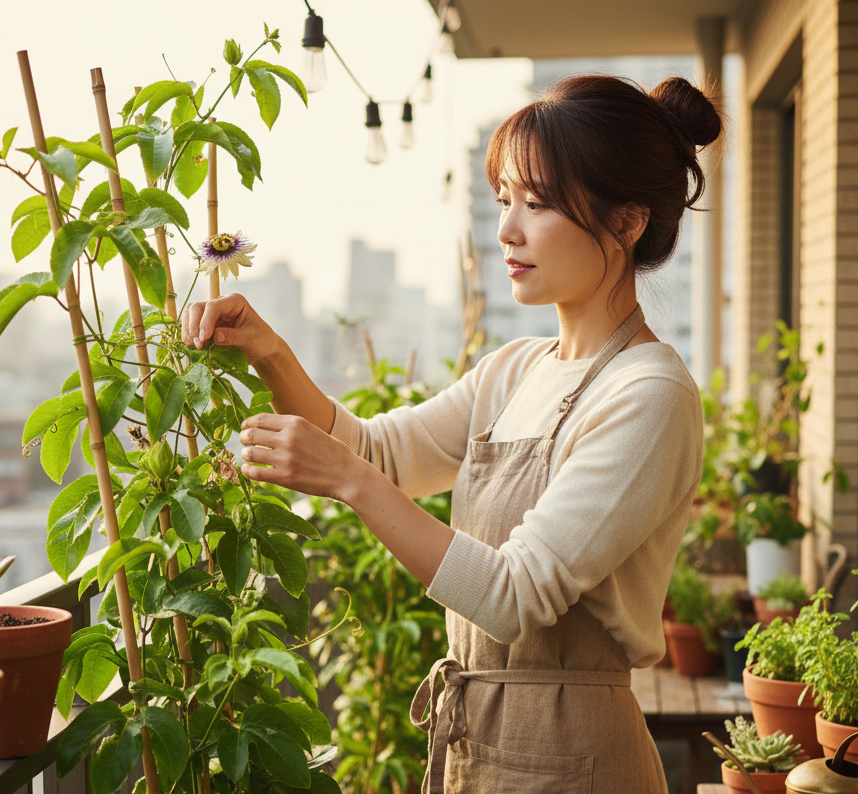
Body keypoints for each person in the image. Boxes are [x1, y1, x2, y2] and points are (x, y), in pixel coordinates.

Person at [183, 73, 721, 794]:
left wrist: (346, 482)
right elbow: (379, 452)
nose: (507, 230)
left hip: (576, 760)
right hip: (480, 745)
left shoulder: (648, 393)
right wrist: (271, 353)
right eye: (504, 201)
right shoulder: (515, 368)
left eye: (537, 204)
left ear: (627, 222)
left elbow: (511, 594)